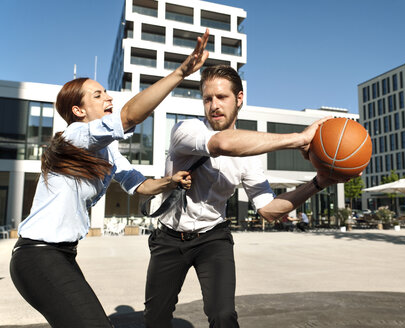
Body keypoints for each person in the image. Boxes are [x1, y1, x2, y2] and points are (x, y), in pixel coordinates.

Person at [9, 29, 210, 328]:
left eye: (106, 92)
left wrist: (170, 181)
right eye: (98, 94)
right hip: (38, 256)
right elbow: (130, 115)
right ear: (78, 110)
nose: (108, 97)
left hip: (61, 256)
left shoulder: (108, 151)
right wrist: (181, 71)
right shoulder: (74, 135)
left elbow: (141, 186)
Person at [143, 62, 356, 327]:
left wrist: (318, 183)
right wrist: (298, 139)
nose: (214, 105)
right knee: (155, 317)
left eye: (222, 97)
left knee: (223, 316)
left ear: (239, 98)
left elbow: (268, 210)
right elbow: (222, 144)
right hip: (169, 239)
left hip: (212, 238)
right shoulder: (186, 131)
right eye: (208, 98)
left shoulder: (251, 159)